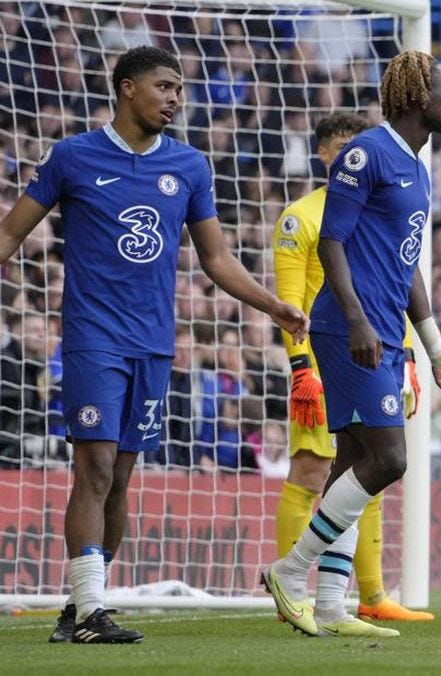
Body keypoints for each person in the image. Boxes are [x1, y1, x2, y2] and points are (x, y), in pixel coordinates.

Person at [0, 46, 308, 644]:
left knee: (119, 475)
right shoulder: (73, 156)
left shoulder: (190, 166)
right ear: (126, 88)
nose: (174, 98)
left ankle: (80, 606)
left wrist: (271, 304)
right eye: (164, 87)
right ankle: (91, 611)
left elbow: (215, 258)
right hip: (92, 339)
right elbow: (12, 231)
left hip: (154, 344)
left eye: (179, 89)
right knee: (91, 465)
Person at [262, 51, 441, 638]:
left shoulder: (417, 166)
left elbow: (407, 265)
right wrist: (357, 320)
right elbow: (331, 243)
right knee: (389, 460)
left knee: (356, 462)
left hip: (388, 330)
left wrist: (434, 349)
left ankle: (332, 605)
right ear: (416, 97)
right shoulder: (366, 154)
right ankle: (289, 570)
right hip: (349, 331)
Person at [270, 112, 431, 631]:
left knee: (356, 470)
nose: (352, 155)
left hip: (385, 349)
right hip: (334, 353)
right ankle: (291, 577)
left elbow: (397, 271)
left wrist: (415, 353)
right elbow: (291, 301)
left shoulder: (381, 196)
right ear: (323, 154)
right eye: (343, 147)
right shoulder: (303, 216)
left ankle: (344, 598)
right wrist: (301, 368)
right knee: (322, 468)